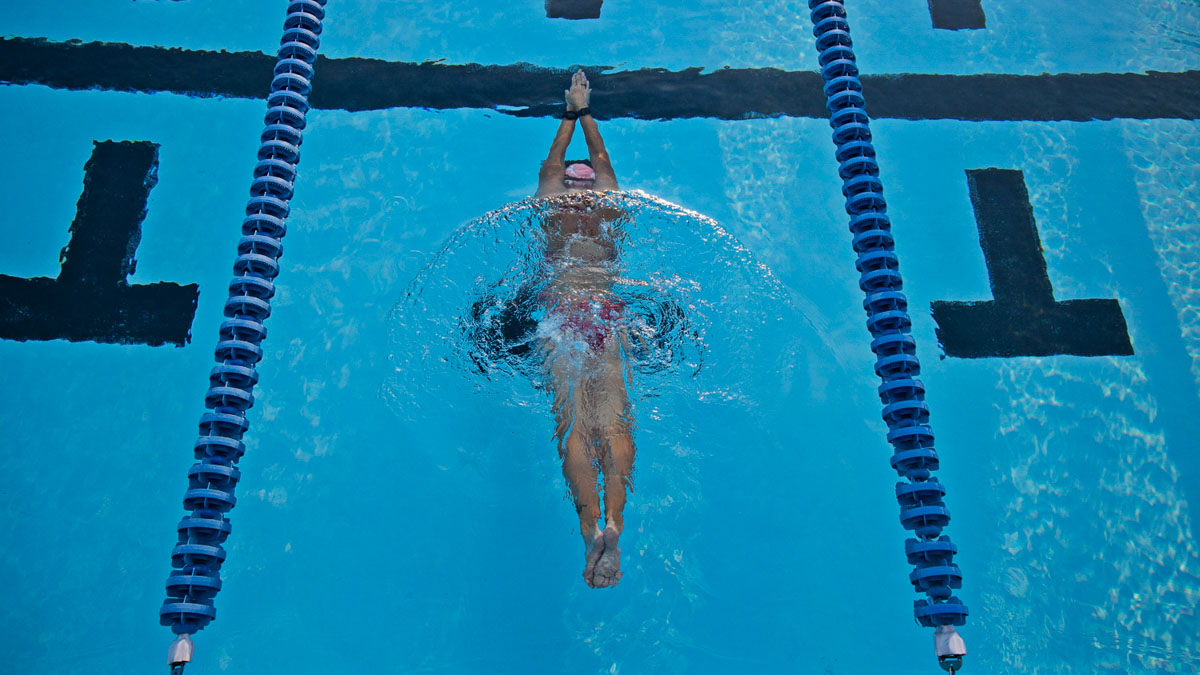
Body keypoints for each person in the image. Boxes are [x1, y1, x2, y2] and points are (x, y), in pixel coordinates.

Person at [535, 70, 633, 589]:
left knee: (571, 421)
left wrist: (568, 113)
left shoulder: (552, 207)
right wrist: (588, 111)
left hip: (561, 311)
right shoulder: (608, 205)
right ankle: (615, 520)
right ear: (593, 187)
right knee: (613, 422)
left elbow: (553, 163)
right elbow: (603, 162)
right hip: (606, 309)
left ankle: (588, 524)